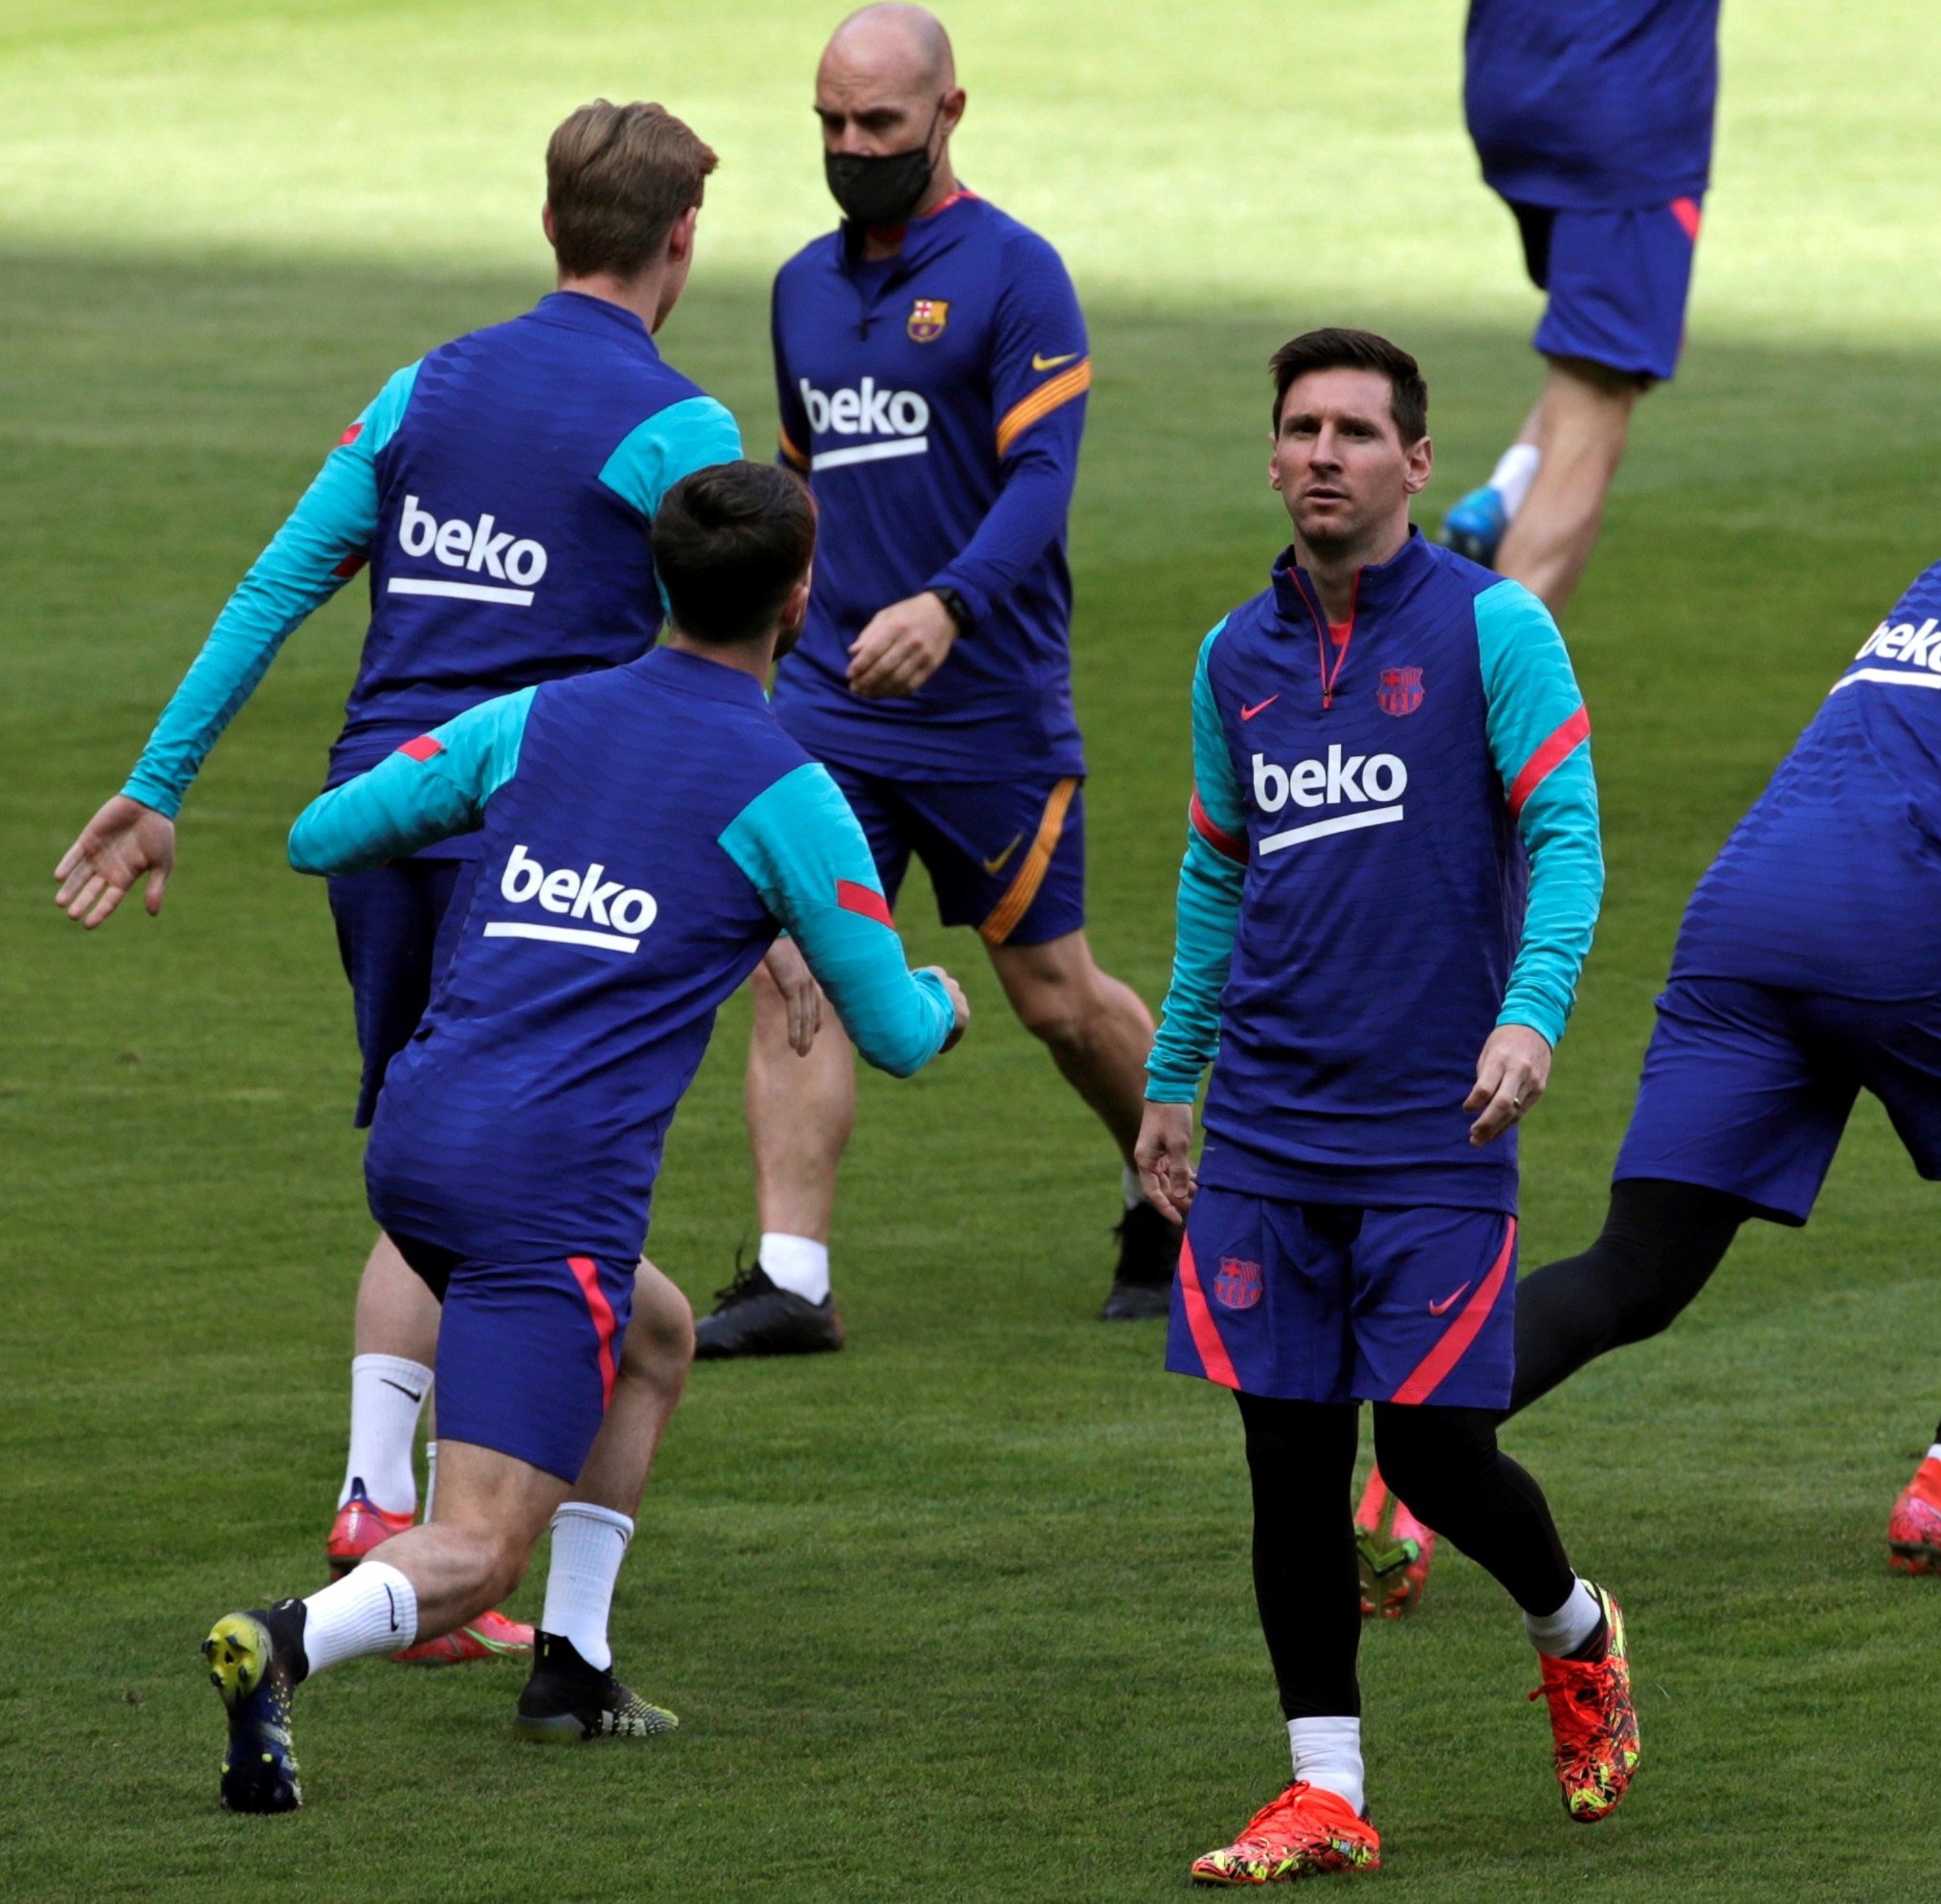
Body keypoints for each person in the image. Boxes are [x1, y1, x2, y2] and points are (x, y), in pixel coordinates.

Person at [1379, 402, 1941, 1609]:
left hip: (1746, 911)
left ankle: (1408, 1484)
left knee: (1638, 1269)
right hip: (1894, 923)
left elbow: (1933, 783)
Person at [53, 101, 752, 1662]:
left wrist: (160, 783)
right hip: (540, 851)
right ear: (681, 240)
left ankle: (383, 1504)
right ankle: (461, 1560)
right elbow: (728, 661)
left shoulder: (422, 385)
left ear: (553, 220)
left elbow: (283, 574)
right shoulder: (679, 430)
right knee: (516, 1179)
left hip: (373, 827)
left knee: (433, 1140)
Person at [202, 462, 970, 1813]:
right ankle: (285, 1642)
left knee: (656, 1335)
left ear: (657, 581)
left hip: (422, 1142)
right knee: (478, 1547)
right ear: (800, 598)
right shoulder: (787, 791)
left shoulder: (533, 718)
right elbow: (895, 1033)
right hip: (541, 1191)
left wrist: (539, 864)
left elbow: (324, 832)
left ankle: (574, 1668)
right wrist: (943, 997)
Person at [1135, 328, 1636, 1885]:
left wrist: (1530, 1014)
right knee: (1287, 1461)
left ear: (1418, 463)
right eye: (1301, 428)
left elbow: (1567, 835)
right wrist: (1172, 1078)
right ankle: (1325, 1787)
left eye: (1358, 429)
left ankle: (1576, 1624)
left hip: (1437, 1120)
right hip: (1272, 1124)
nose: (1325, 453)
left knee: (1426, 1451)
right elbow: (1220, 866)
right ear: (1274, 455)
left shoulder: (1494, 631)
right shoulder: (1237, 656)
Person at [696, 1, 1170, 1358]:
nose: (850, 148)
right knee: (794, 961)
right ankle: (792, 1277)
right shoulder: (796, 285)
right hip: (830, 702)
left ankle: (1177, 1185)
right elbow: (801, 477)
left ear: (949, 115)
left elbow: (1040, 482)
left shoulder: (1017, 274)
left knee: (1055, 998)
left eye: (878, 125)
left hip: (987, 705)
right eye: (829, 125)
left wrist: (949, 604)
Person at [1438, 0, 1720, 615]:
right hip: (1619, 111)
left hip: (1509, 80)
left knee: (1615, 349)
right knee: (1597, 397)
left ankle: (1504, 495)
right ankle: (1479, 701)